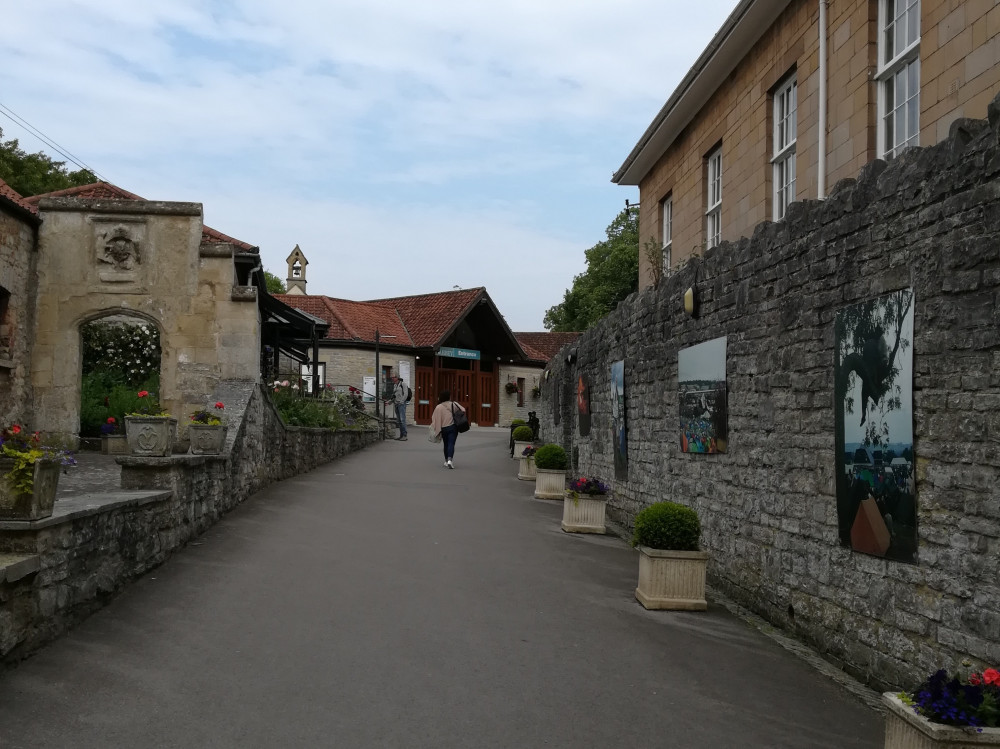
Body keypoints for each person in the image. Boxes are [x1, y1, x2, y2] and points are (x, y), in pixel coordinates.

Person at [430, 389, 465, 469]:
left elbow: (434, 418)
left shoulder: (438, 407)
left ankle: (446, 461)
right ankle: (450, 460)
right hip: (453, 427)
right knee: (451, 443)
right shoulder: (453, 404)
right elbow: (463, 410)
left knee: (446, 444)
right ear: (449, 397)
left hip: (443, 428)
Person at [391, 375, 409, 440]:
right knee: (399, 421)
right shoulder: (395, 385)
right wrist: (389, 402)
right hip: (396, 404)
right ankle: (401, 435)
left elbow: (406, 394)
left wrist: (401, 401)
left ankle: (404, 435)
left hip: (401, 404)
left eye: (393, 377)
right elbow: (394, 396)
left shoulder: (403, 384)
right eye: (392, 377)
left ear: (397, 377)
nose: (392, 378)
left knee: (402, 420)